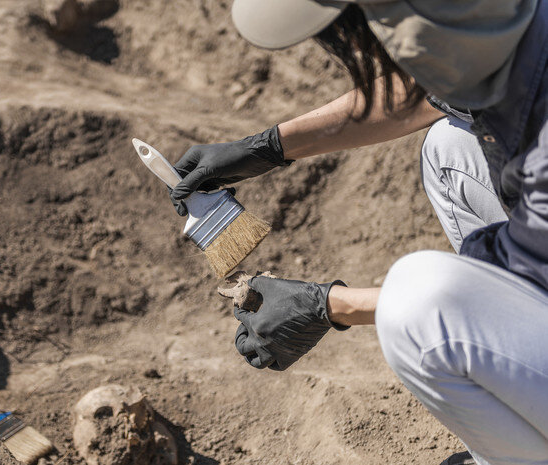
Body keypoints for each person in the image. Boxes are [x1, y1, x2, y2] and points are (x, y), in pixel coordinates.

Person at [168, 1, 548, 464]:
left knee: (419, 307)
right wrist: (267, 147)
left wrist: (328, 305)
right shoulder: (501, 25)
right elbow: (430, 88)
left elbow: (510, 286)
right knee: (449, 151)